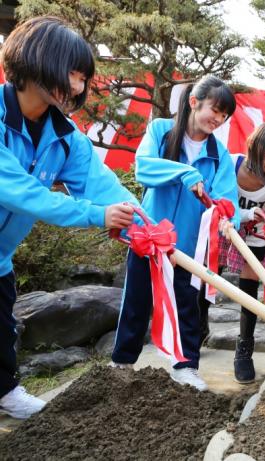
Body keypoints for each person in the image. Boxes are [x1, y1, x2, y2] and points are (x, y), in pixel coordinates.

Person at [0, 16, 138, 419]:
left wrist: (149, 229)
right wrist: (100, 217)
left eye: (82, 78)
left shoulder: (65, 137)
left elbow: (104, 187)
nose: (77, 87)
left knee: (3, 329)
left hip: (1, 258)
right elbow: (27, 196)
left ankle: (6, 392)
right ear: (37, 59)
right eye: (72, 74)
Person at [111, 75, 240, 391]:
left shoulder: (219, 154)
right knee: (137, 302)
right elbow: (143, 168)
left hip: (189, 246)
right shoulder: (160, 131)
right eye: (215, 110)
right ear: (195, 102)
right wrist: (185, 173)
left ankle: (185, 367)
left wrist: (226, 217)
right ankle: (122, 362)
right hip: (149, 235)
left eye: (224, 116)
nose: (218, 119)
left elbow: (227, 199)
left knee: (188, 305)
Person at [200, 122, 265, 383]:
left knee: (249, 292)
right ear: (256, 144)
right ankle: (198, 326)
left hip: (253, 234)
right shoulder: (230, 164)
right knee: (206, 278)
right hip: (223, 228)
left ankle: (244, 350)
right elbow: (214, 199)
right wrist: (244, 214)